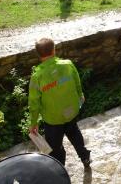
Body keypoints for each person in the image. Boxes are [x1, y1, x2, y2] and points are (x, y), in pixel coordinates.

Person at [28, 38, 91, 167]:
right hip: (71, 112)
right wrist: (80, 95)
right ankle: (85, 158)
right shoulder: (67, 64)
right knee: (75, 135)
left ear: (38, 55)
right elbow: (77, 82)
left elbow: (34, 103)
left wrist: (33, 123)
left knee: (55, 148)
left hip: (53, 119)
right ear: (54, 50)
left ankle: (59, 169)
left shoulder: (37, 76)